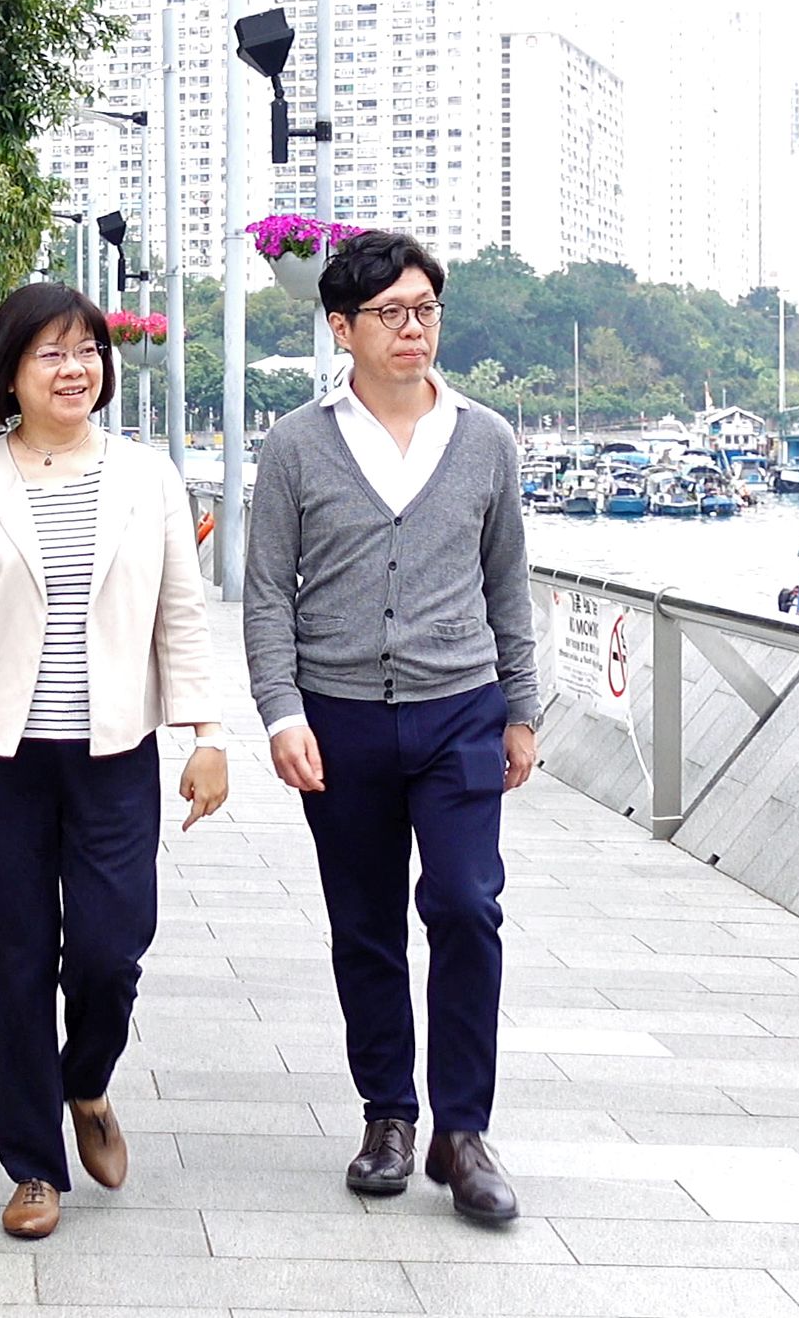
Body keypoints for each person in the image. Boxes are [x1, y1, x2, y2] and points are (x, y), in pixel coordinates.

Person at [0, 282, 229, 1240]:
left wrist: (207, 736)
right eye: (51, 353)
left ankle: (86, 1081)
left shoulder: (148, 477)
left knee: (114, 948)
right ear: (9, 372)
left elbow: (182, 613)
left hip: (114, 753)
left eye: (87, 351)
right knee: (12, 961)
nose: (75, 368)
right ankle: (34, 1165)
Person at [242, 230, 538, 1224]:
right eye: (389, 314)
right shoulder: (293, 445)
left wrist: (522, 708)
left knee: (463, 905)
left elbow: (509, 587)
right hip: (340, 719)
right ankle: (387, 1117)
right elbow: (264, 598)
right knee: (364, 922)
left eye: (424, 310)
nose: (412, 329)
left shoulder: (485, 438)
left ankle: (462, 1130)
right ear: (342, 327)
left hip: (459, 712)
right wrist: (280, 711)